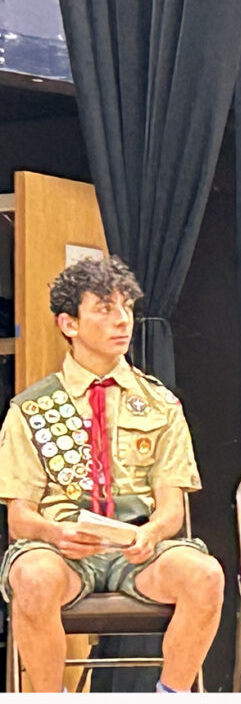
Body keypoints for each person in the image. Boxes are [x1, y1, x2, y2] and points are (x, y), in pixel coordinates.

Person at [0, 256, 224, 693]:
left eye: (127, 307)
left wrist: (151, 534)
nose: (122, 320)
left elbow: (172, 508)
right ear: (69, 323)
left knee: (205, 574)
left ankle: (171, 696)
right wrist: (55, 533)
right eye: (104, 308)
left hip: (137, 550)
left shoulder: (160, 404)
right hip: (62, 551)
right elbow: (19, 518)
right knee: (33, 575)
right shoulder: (31, 408)